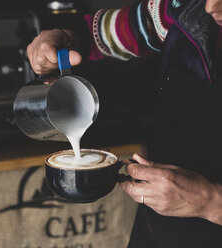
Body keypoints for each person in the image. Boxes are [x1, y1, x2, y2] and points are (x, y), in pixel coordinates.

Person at [27, 0, 222, 247]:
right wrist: (63, 36)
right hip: (155, 229)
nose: (211, 7)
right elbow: (102, 35)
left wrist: (210, 201)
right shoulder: (181, 7)